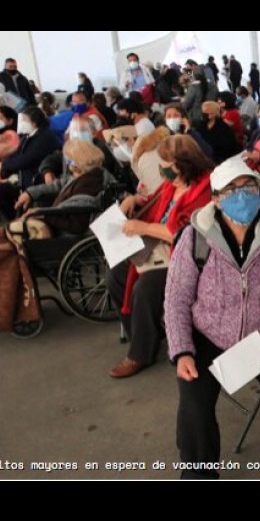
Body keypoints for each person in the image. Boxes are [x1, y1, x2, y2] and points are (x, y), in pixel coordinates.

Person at [165, 157, 260, 479]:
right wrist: (182, 350)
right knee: (193, 408)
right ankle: (199, 473)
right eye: (231, 190)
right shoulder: (195, 238)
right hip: (208, 336)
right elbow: (176, 299)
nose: (242, 195)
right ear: (216, 199)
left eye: (248, 186)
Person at [107, 135, 214, 379]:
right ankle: (142, 335)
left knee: (145, 289)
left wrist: (143, 228)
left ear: (183, 164)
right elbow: (154, 202)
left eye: (166, 165)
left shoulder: (204, 190)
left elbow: (184, 233)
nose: (162, 170)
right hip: (160, 250)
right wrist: (134, 200)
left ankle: (140, 353)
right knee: (116, 276)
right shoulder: (172, 184)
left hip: (188, 257)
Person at [0, 140, 109, 323]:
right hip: (59, 225)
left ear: (77, 162)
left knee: (6, 247)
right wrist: (31, 193)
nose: (67, 164)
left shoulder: (90, 183)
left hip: (65, 233)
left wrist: (41, 212)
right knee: (5, 247)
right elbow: (57, 185)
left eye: (69, 160)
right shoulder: (85, 176)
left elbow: (74, 212)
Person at [0, 107, 60, 221]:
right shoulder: (27, 136)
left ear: (34, 122)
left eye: (24, 120)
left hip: (36, 181)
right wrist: (3, 167)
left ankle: (20, 220)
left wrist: (4, 166)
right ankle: (15, 219)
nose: (21, 123)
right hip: (22, 180)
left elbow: (27, 159)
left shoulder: (44, 137)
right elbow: (16, 155)